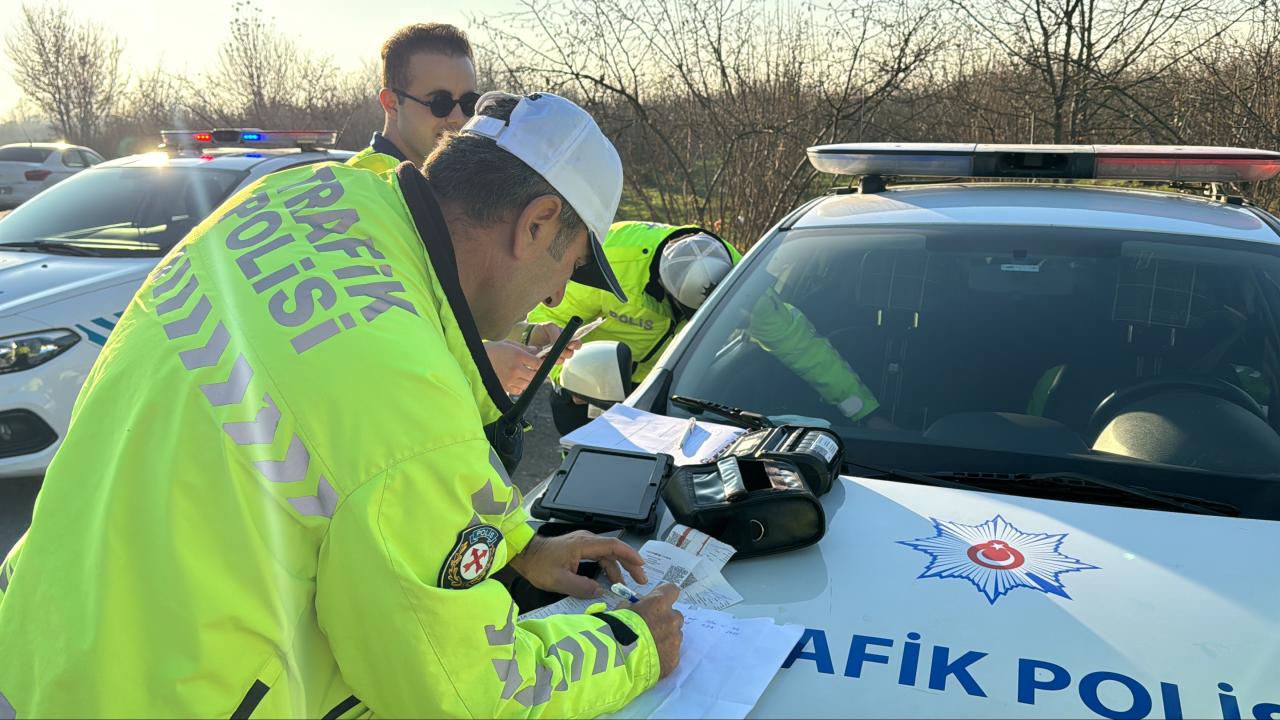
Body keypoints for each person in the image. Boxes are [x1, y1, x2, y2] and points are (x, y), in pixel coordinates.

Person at [0, 92, 683, 717]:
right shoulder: (404, 390)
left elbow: (349, 463)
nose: (560, 296)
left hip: (48, 639)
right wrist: (632, 644)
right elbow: (465, 692)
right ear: (537, 224)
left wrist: (518, 544)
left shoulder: (300, 199)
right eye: (570, 266)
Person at [347, 23, 569, 398]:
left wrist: (532, 335)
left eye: (468, 103)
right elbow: (361, 338)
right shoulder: (359, 191)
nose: (456, 118)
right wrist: (477, 362)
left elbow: (454, 305)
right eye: (439, 102)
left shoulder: (448, 189)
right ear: (390, 102)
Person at [528, 221, 884, 433]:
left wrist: (861, 410)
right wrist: (569, 377)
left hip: (667, 398)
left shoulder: (738, 282)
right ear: (663, 291)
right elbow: (551, 325)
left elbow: (799, 345)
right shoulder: (607, 262)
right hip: (589, 390)